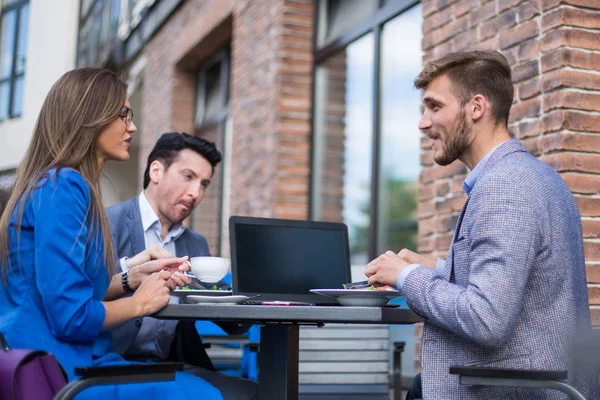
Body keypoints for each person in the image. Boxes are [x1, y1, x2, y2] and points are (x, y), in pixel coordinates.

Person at [365, 51, 596, 399]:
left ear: (476, 108)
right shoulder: (537, 176)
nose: (423, 123)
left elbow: (486, 319)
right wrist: (437, 268)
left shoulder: (504, 187)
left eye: (435, 107)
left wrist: (405, 276)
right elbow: (519, 281)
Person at [0, 68, 223, 399]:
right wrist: (140, 304)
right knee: (207, 395)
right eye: (123, 114)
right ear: (88, 117)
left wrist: (131, 278)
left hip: (65, 363)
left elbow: (64, 291)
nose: (132, 126)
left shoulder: (54, 184)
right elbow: (72, 317)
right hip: (67, 373)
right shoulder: (65, 186)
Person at [107, 132, 258, 399]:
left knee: (257, 393)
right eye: (188, 177)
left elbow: (232, 322)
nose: (195, 193)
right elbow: (83, 295)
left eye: (204, 184)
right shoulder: (106, 223)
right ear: (156, 171)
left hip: (173, 365)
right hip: (110, 361)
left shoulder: (195, 245)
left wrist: (248, 289)